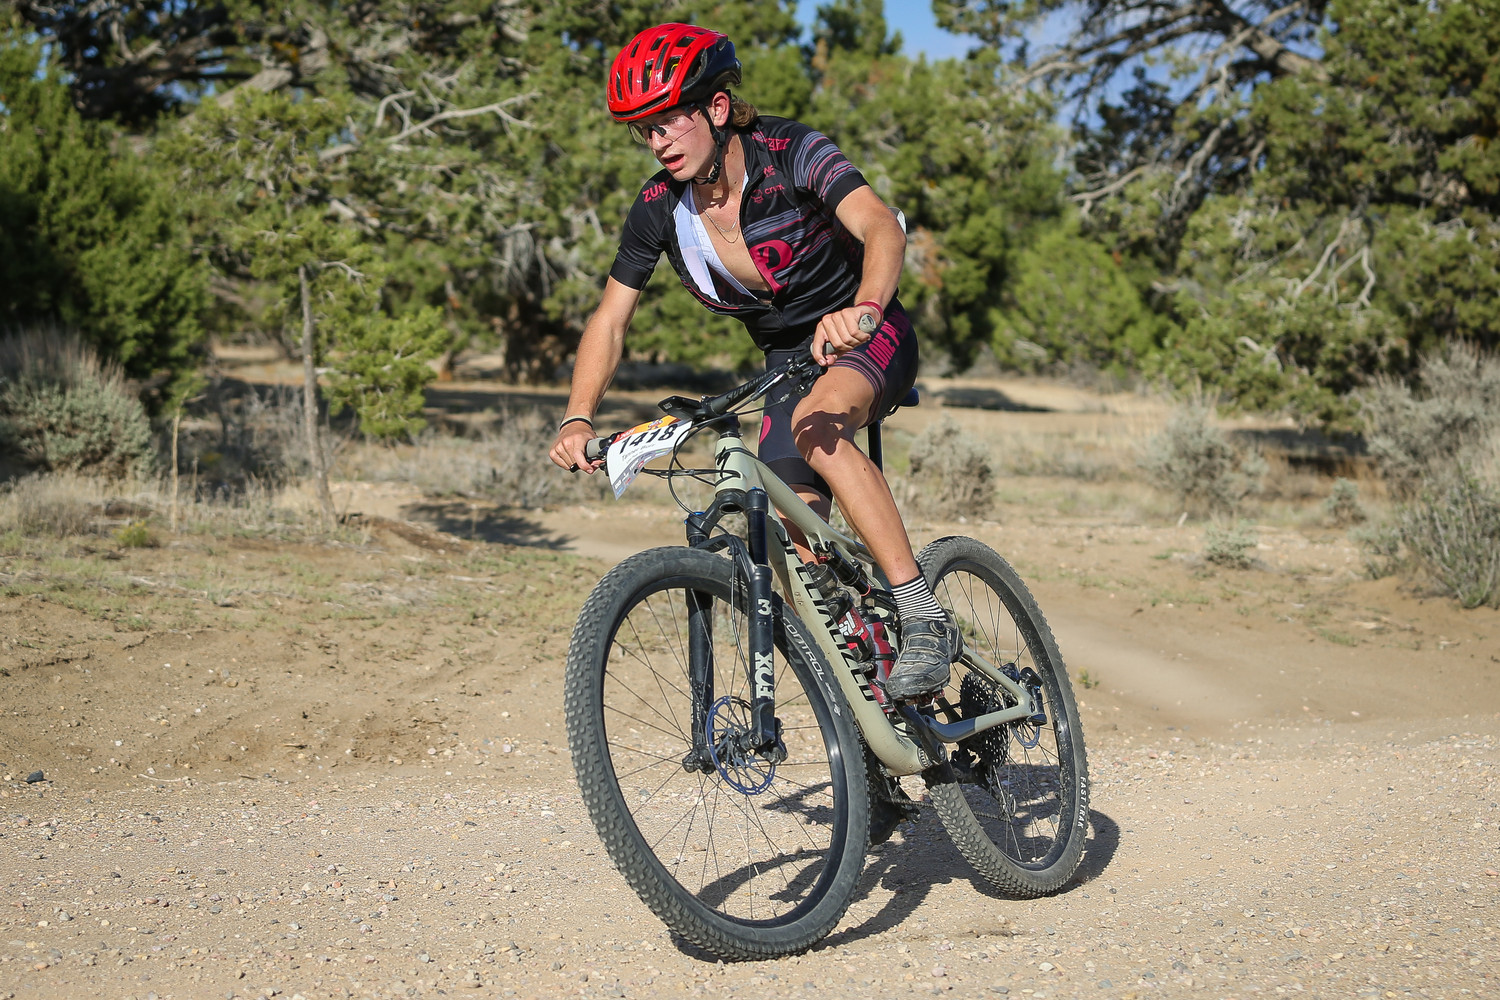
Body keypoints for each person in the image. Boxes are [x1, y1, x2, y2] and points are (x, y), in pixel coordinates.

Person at [547, 22, 958, 701]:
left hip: (867, 330)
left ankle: (923, 616)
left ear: (715, 108)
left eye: (668, 122)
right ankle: (874, 711)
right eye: (645, 131)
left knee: (817, 427)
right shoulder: (659, 209)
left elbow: (880, 224)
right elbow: (611, 319)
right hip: (787, 361)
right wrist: (576, 417)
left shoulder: (790, 152)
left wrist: (863, 309)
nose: (658, 142)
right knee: (794, 547)